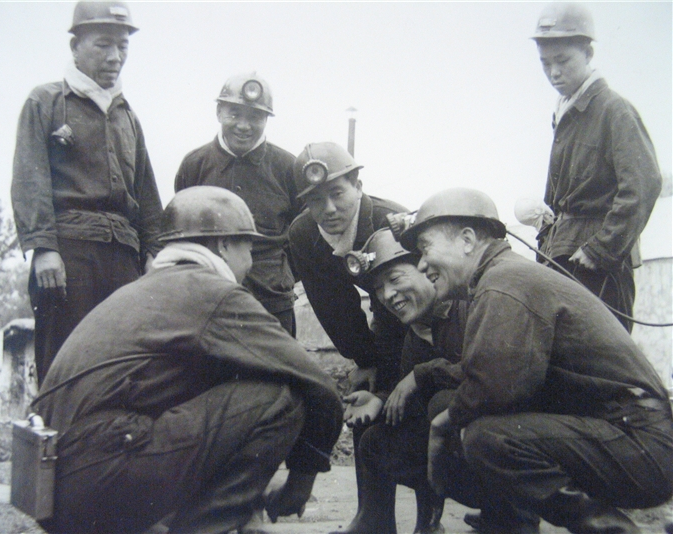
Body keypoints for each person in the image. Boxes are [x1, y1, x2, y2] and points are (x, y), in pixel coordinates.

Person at [31, 186, 343, 534]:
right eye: (249, 249)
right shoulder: (212, 292)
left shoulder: (141, 289)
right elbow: (318, 384)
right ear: (224, 245)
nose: (250, 263)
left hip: (54, 492)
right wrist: (302, 479)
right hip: (100, 469)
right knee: (281, 399)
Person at [394, 187, 673, 534]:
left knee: (487, 439)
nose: (422, 264)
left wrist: (439, 429)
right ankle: (508, 526)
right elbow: (488, 372)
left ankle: (614, 531)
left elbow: (493, 388)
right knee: (455, 410)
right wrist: (427, 377)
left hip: (643, 446)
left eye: (425, 248)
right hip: (633, 437)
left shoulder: (504, 282)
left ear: (467, 240)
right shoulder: (505, 275)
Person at [11, 1, 163, 385]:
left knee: (122, 366)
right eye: (103, 44)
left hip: (124, 260)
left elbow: (147, 194)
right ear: (75, 46)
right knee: (64, 365)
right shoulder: (45, 102)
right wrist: (44, 248)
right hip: (69, 256)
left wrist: (153, 254)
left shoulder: (128, 117)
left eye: (123, 46)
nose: (115, 57)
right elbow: (29, 179)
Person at [287, 143, 409, 533]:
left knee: (411, 396)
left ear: (358, 185)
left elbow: (414, 303)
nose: (329, 209)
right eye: (315, 200)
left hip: (420, 324)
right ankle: (374, 516)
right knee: (364, 392)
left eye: (337, 193)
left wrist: (397, 371)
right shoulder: (303, 233)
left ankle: (430, 518)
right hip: (380, 323)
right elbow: (334, 307)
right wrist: (366, 361)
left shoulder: (393, 221)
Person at [532, 2, 662, 332]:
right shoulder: (565, 112)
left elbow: (643, 184)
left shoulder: (613, 110)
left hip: (597, 264)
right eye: (545, 63)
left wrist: (602, 249)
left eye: (563, 60)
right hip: (565, 256)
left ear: (588, 53)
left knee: (603, 353)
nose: (553, 72)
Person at [337, 228, 467, 534]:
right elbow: (413, 399)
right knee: (376, 440)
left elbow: (491, 375)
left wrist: (423, 374)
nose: (388, 295)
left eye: (395, 279)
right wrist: (380, 400)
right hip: (462, 437)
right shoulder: (415, 334)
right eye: (379, 289)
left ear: (426, 268)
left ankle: (509, 516)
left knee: (442, 404)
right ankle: (427, 524)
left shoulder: (469, 307)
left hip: (504, 435)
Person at [175, 73, 300, 335]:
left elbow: (303, 232)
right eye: (234, 114)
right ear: (219, 112)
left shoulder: (288, 168)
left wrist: (282, 276)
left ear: (266, 120)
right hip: (210, 303)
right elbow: (181, 234)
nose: (244, 126)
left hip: (273, 303)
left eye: (255, 117)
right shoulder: (194, 165)